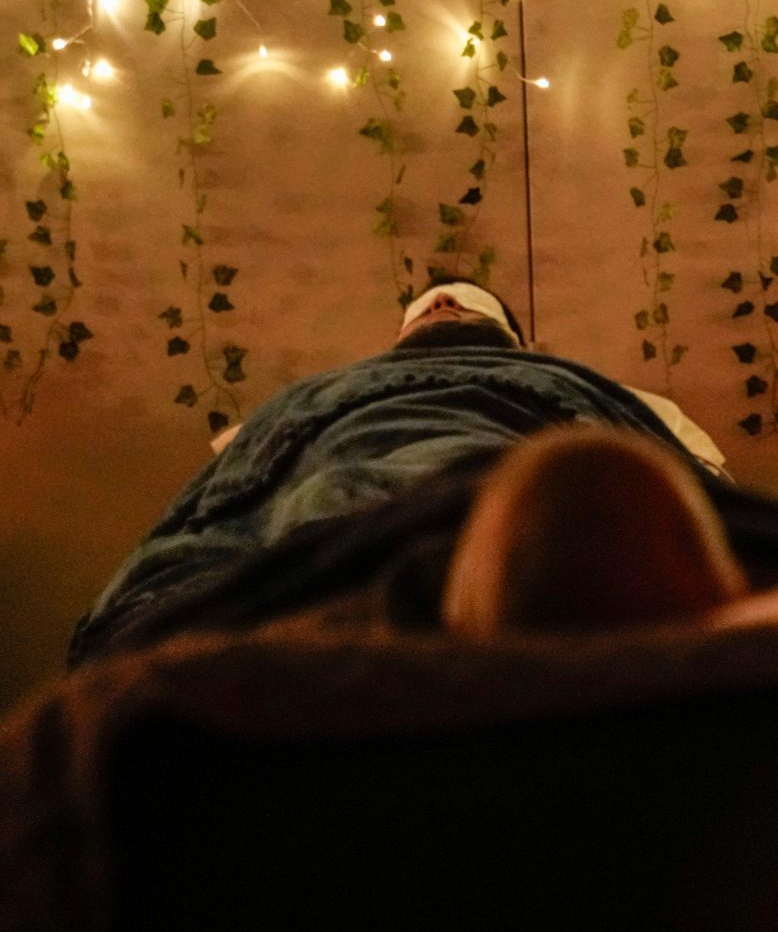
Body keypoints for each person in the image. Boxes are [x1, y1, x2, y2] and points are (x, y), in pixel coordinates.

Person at [68, 279, 728, 663]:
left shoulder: (620, 398)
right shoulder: (298, 405)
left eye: (462, 302)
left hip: (509, 486)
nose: (442, 302)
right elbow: (224, 498)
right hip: (338, 496)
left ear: (516, 344)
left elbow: (698, 482)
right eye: (429, 303)